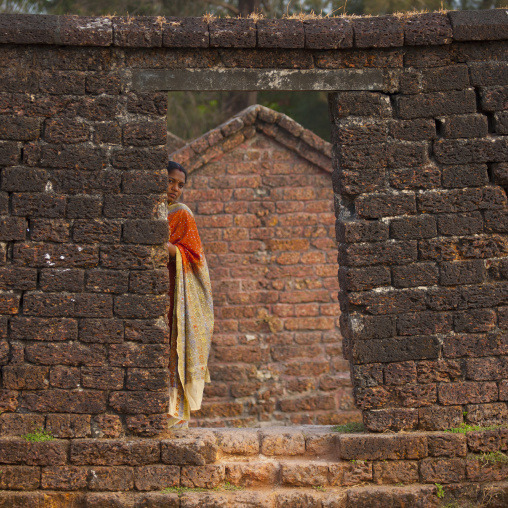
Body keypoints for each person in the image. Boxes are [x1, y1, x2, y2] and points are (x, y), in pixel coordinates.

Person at [166, 161, 214, 429]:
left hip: (177, 298)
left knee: (175, 352)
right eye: (170, 181)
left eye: (180, 185)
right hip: (160, 297)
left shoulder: (182, 214)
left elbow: (195, 258)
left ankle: (174, 417)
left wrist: (169, 249)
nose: (175, 189)